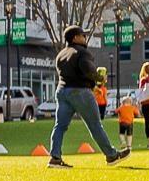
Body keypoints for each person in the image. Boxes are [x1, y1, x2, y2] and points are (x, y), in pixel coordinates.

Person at [47, 27, 127, 168]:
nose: (85, 37)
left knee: (59, 126)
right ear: (75, 38)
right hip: (80, 92)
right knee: (95, 125)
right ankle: (111, 156)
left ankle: (55, 158)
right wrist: (98, 78)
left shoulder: (60, 54)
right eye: (82, 35)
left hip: (62, 91)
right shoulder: (82, 52)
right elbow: (87, 69)